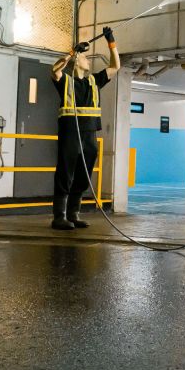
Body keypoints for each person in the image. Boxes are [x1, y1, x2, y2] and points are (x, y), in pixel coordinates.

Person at [49, 27, 120, 230]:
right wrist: (72, 52)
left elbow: (116, 66)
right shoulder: (65, 81)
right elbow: (54, 70)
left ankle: (73, 214)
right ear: (76, 62)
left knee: (83, 176)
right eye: (85, 57)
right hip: (70, 135)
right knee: (65, 174)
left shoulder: (94, 81)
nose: (88, 60)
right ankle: (59, 216)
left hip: (89, 135)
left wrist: (111, 42)